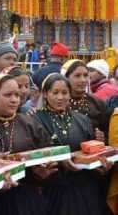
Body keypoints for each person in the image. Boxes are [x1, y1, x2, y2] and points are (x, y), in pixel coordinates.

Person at [0, 74, 56, 215]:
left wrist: (42, 173)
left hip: (27, 201)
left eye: (17, 95)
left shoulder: (29, 123)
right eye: (8, 95)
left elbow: (46, 154)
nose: (14, 100)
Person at [35, 73, 112, 215]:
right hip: (55, 190)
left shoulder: (82, 120)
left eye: (64, 93)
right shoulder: (35, 120)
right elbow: (36, 152)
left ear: (70, 94)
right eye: (55, 92)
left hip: (86, 188)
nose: (60, 97)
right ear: (45, 94)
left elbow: (89, 151)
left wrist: (99, 163)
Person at [61, 59, 112, 141]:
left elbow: (109, 133)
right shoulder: (59, 104)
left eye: (85, 75)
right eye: (77, 76)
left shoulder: (97, 103)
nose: (83, 80)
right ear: (65, 78)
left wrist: (103, 138)